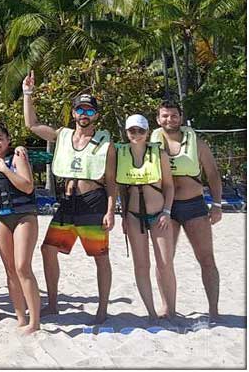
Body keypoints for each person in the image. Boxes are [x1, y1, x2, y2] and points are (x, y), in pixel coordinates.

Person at [22, 70, 117, 324]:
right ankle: (52, 304)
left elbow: (110, 181)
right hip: (67, 203)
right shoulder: (62, 135)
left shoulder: (104, 144)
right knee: (48, 250)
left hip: (93, 202)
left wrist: (110, 210)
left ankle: (102, 308)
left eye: (89, 111)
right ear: (73, 113)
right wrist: (28, 93)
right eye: (80, 110)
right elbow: (31, 125)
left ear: (96, 115)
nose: (84, 115)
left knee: (100, 257)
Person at [150, 101, 222, 321]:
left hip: (194, 205)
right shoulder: (151, 142)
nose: (169, 120)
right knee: (163, 261)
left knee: (206, 258)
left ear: (180, 118)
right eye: (165, 116)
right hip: (164, 208)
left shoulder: (197, 143)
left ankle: (214, 310)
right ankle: (167, 308)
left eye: (173, 116)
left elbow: (213, 174)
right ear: (158, 119)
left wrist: (217, 205)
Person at [116, 114, 176, 320]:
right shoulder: (120, 154)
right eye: (132, 130)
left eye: (141, 130)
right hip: (133, 216)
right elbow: (122, 190)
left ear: (147, 132)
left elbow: (169, 186)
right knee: (141, 265)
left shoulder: (159, 154)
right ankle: (151, 312)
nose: (136, 134)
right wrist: (123, 215)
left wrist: (167, 212)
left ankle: (170, 309)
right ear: (126, 132)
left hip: (159, 215)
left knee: (165, 263)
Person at [0, 122, 41, 333]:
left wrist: (6, 170)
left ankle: (34, 322)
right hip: (1, 218)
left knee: (22, 267)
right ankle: (20, 317)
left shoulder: (16, 156)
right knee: (10, 270)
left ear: (8, 140)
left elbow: (28, 185)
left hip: (23, 216)